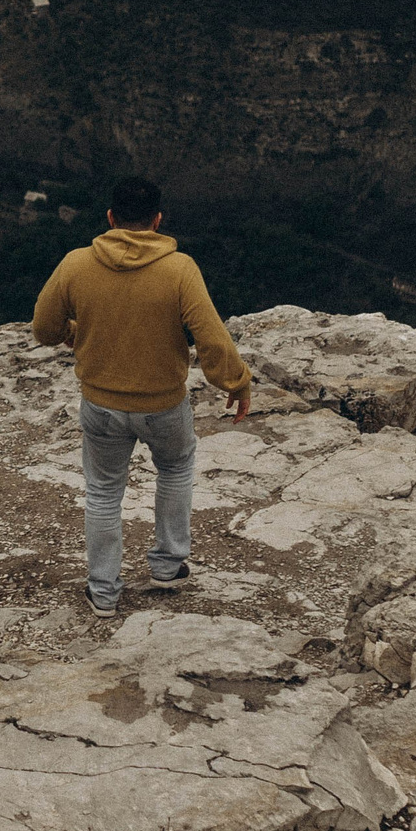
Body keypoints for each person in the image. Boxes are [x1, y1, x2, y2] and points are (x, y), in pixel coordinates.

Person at [30, 176, 251, 615]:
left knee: (104, 493)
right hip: (162, 404)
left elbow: (43, 328)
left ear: (110, 218)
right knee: (175, 467)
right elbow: (210, 337)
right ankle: (167, 566)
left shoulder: (76, 264)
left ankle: (105, 593)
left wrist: (74, 331)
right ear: (157, 220)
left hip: (100, 406)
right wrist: (236, 381)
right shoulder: (179, 268)